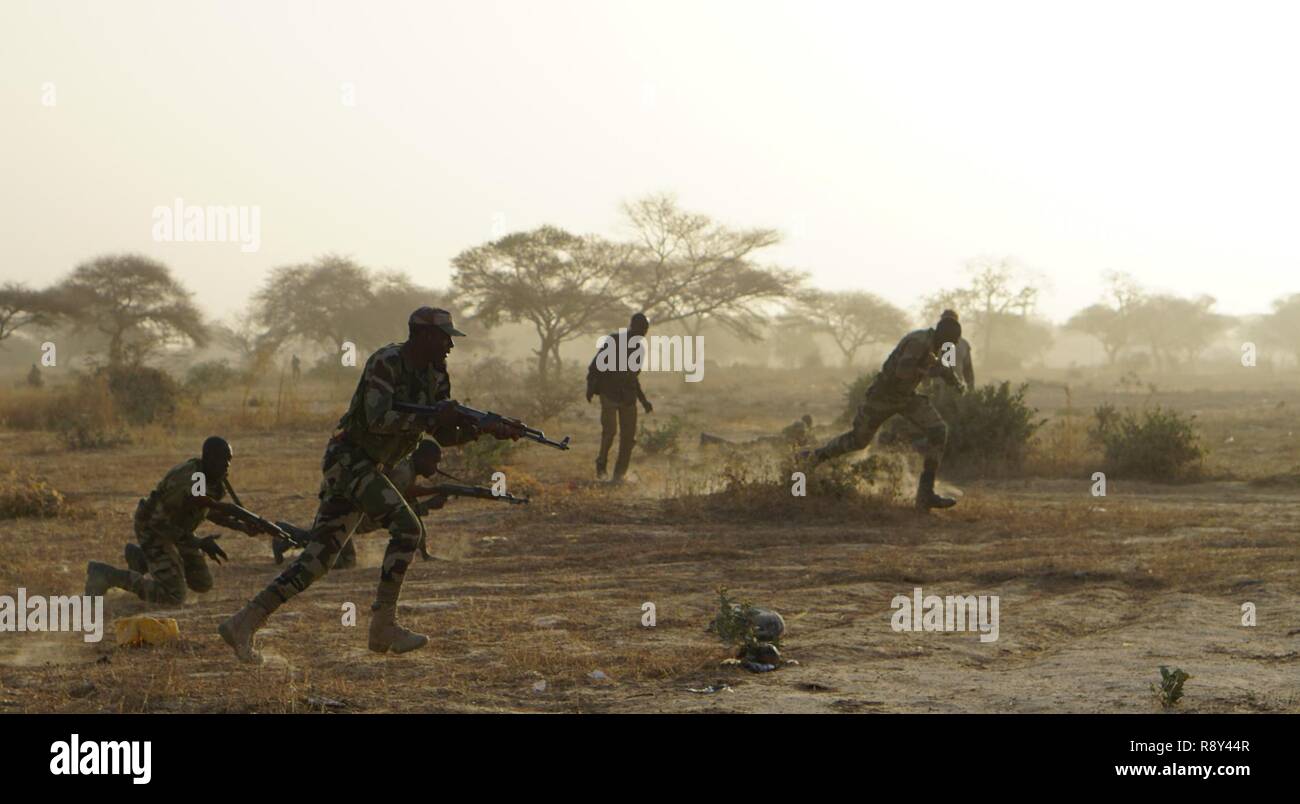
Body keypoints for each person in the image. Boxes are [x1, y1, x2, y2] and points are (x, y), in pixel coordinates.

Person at [219, 307, 519, 663]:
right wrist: (431, 415)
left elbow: (440, 433)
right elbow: (378, 420)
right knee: (408, 529)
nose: (449, 346)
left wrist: (481, 430)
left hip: (371, 467)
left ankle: (244, 621)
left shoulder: (436, 374)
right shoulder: (386, 363)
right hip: (349, 461)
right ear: (422, 336)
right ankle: (383, 626)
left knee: (317, 561)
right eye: (444, 338)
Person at [85, 437, 282, 605]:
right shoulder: (187, 478)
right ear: (209, 458)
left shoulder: (213, 481)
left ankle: (142, 559)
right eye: (224, 460)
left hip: (179, 530)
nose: (227, 466)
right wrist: (198, 542)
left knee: (202, 582)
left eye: (229, 460)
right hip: (153, 528)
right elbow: (159, 522)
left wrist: (241, 526)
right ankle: (106, 575)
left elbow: (208, 512)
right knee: (173, 596)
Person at [801, 311, 965, 510]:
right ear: (943, 337)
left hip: (906, 397)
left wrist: (954, 381)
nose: (951, 348)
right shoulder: (918, 342)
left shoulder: (938, 344)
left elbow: (944, 367)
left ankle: (925, 494)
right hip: (883, 396)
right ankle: (810, 459)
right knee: (858, 441)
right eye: (951, 343)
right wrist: (931, 371)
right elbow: (902, 372)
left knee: (939, 430)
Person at [270, 440, 448, 564]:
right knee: (341, 559)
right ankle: (286, 536)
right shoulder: (403, 471)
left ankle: (288, 536)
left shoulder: (406, 469)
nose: (436, 468)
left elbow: (409, 509)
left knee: (331, 544)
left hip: (353, 506)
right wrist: (434, 495)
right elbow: (400, 500)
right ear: (422, 458)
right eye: (434, 462)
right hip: (353, 509)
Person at [586, 312, 653, 482]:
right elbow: (594, 367)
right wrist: (590, 387)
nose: (644, 332)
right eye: (642, 328)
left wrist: (643, 400)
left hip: (628, 396)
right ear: (633, 326)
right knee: (610, 432)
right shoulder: (614, 340)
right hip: (609, 393)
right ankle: (601, 464)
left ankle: (619, 475)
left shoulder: (640, 349)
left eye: (646, 329)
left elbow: (633, 377)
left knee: (628, 438)